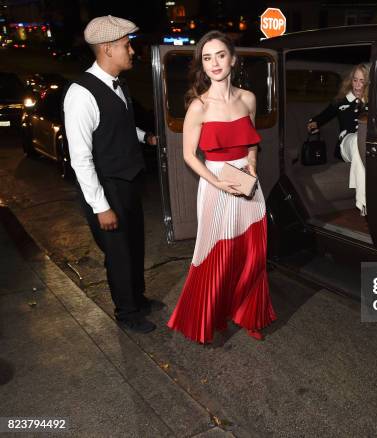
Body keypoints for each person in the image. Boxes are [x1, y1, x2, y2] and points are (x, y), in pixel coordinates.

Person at [167, 31, 276, 343]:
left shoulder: (248, 99)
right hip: (215, 184)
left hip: (246, 182)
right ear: (202, 65)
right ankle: (211, 315)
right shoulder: (199, 106)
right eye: (207, 57)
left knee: (253, 252)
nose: (214, 63)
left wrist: (251, 167)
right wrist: (216, 182)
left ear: (233, 59)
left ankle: (248, 312)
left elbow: (252, 142)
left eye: (220, 55)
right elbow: (189, 154)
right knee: (217, 254)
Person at [63, 15, 159, 333]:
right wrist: (100, 205)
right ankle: (127, 313)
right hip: (107, 187)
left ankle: (138, 299)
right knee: (118, 254)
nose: (132, 51)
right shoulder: (81, 94)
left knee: (134, 245)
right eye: (126, 46)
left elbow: (117, 126)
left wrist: (146, 137)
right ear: (107, 49)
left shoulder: (118, 84)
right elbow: (80, 158)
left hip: (128, 181)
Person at [307, 63, 369, 216]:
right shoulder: (341, 101)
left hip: (366, 146)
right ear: (350, 81)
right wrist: (313, 123)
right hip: (346, 144)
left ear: (367, 83)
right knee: (356, 140)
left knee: (361, 144)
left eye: (362, 81)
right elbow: (322, 117)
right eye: (355, 80)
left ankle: (363, 203)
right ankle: (363, 202)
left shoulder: (373, 103)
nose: (358, 85)